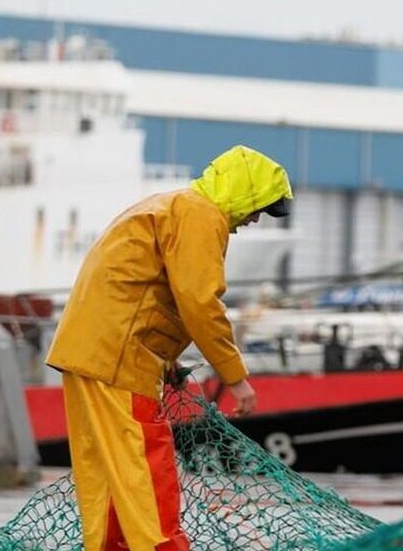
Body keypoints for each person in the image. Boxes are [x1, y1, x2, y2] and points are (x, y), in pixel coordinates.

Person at [47, 144, 293, 550]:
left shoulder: (169, 205)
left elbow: (147, 293)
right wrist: (237, 378)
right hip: (119, 361)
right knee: (146, 463)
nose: (253, 220)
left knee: (111, 476)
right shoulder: (200, 215)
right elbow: (199, 303)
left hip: (89, 354)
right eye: (258, 209)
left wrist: (169, 361)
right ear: (243, 193)